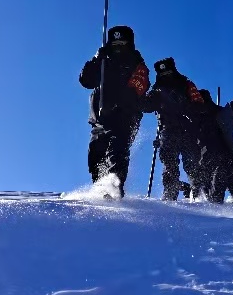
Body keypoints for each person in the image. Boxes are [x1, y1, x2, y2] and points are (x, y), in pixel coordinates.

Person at [79, 25, 150, 198]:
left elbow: (139, 87)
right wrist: (96, 59)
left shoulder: (137, 64)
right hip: (100, 119)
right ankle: (99, 191)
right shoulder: (103, 61)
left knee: (116, 151)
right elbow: (85, 80)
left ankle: (113, 190)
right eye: (115, 44)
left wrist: (120, 103)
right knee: (96, 154)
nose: (118, 48)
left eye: (122, 44)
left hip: (124, 116)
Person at [141, 58, 205, 201]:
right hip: (170, 130)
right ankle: (171, 193)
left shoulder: (185, 84)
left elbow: (199, 104)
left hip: (187, 129)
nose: (166, 76)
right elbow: (146, 106)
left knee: (190, 164)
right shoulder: (158, 90)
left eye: (168, 72)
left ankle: (197, 195)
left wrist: (191, 110)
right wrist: (139, 94)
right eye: (164, 73)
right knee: (171, 163)